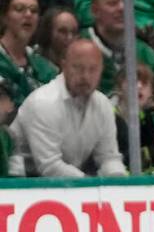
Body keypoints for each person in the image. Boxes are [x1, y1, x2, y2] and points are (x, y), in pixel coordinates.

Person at [8, 38, 126, 177]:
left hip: (68, 183)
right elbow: (50, 166)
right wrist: (90, 187)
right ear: (64, 65)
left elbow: (109, 158)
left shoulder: (103, 105)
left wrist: (120, 184)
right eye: (78, 68)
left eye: (93, 69)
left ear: (101, 70)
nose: (85, 76)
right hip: (20, 184)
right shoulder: (43, 102)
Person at [81, 0, 154, 97]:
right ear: (95, 11)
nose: (122, 8)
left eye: (126, 2)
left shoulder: (147, 55)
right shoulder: (78, 49)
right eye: (113, 3)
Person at [0, 0, 58, 108]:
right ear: (4, 17)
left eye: (34, 11)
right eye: (19, 9)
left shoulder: (47, 69)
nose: (28, 14)